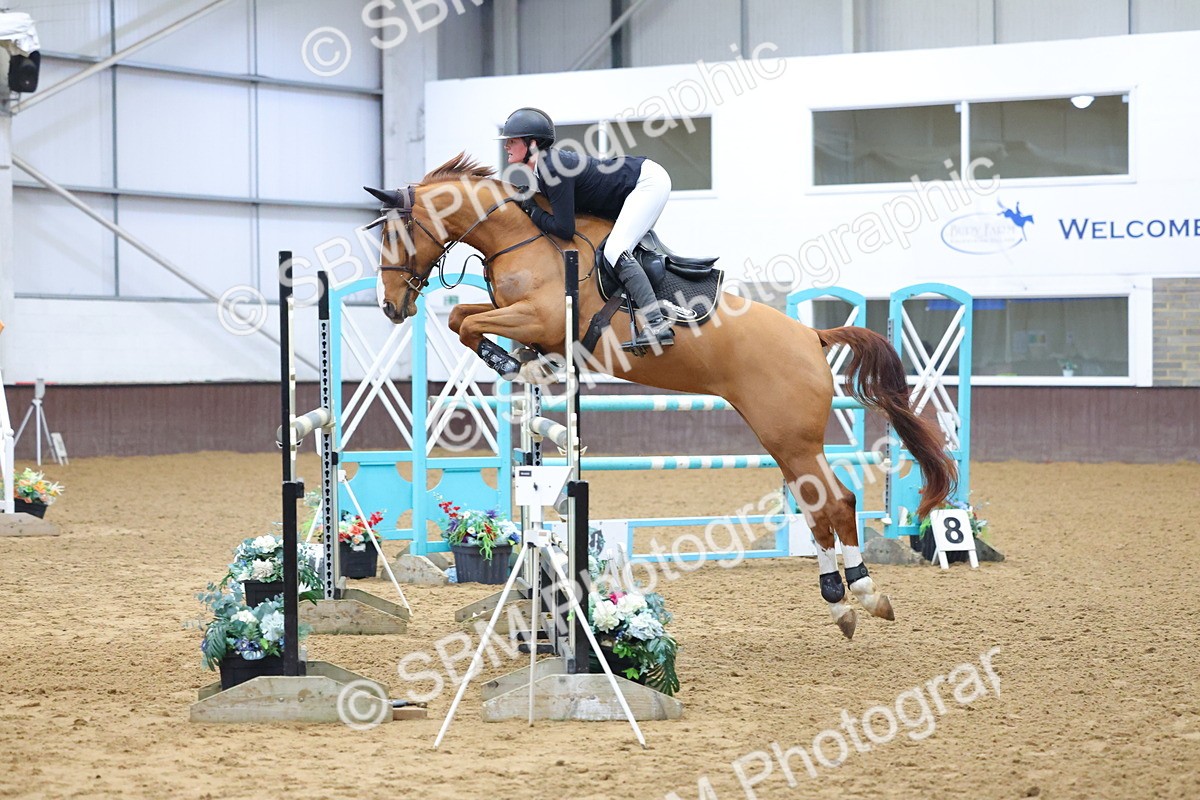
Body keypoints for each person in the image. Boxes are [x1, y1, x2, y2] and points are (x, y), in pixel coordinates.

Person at [497, 107, 675, 349]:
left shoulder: (552, 167)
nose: (506, 145)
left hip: (646, 183)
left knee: (615, 250)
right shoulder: (544, 169)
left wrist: (533, 211)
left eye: (513, 141)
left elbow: (564, 228)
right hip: (633, 184)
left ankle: (657, 324)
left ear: (533, 143)